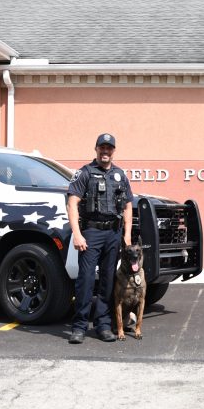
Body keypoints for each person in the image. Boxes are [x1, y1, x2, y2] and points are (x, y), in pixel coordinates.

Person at [66, 133, 133, 344]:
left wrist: (127, 236)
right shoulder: (85, 173)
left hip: (113, 234)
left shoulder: (120, 175)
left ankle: (103, 325)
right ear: (96, 149)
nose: (105, 152)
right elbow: (72, 203)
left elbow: (128, 206)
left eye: (109, 148)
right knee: (85, 280)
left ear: (113, 151)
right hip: (91, 233)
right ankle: (79, 327)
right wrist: (76, 233)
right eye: (102, 148)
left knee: (107, 281)